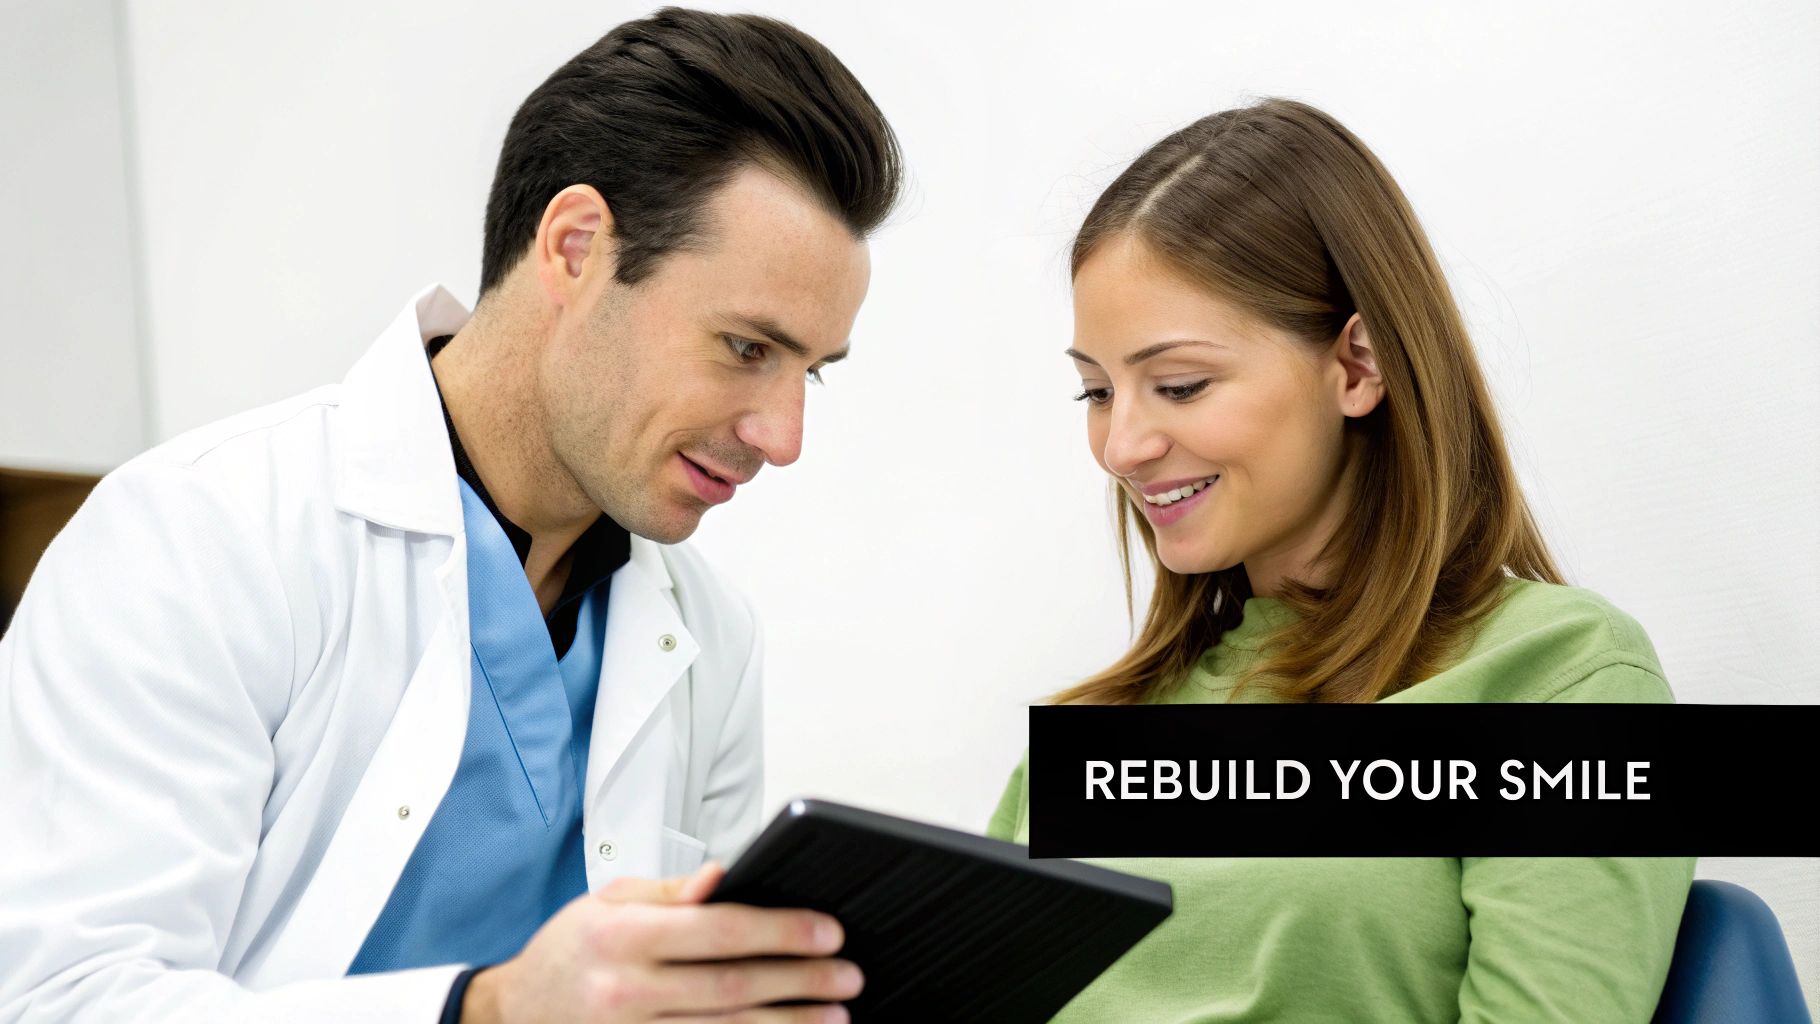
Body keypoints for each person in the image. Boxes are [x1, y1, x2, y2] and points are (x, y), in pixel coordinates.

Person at [0, 9, 899, 1023]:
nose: (783, 436)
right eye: (745, 347)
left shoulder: (708, 636)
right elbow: (59, 1003)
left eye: (810, 373)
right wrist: (488, 1008)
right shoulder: (195, 540)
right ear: (574, 247)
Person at [987, 98, 1693, 1022]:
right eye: (1095, 391)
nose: (1121, 447)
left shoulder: (1559, 683)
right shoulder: (1084, 738)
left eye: (1180, 385)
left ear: (1357, 366)